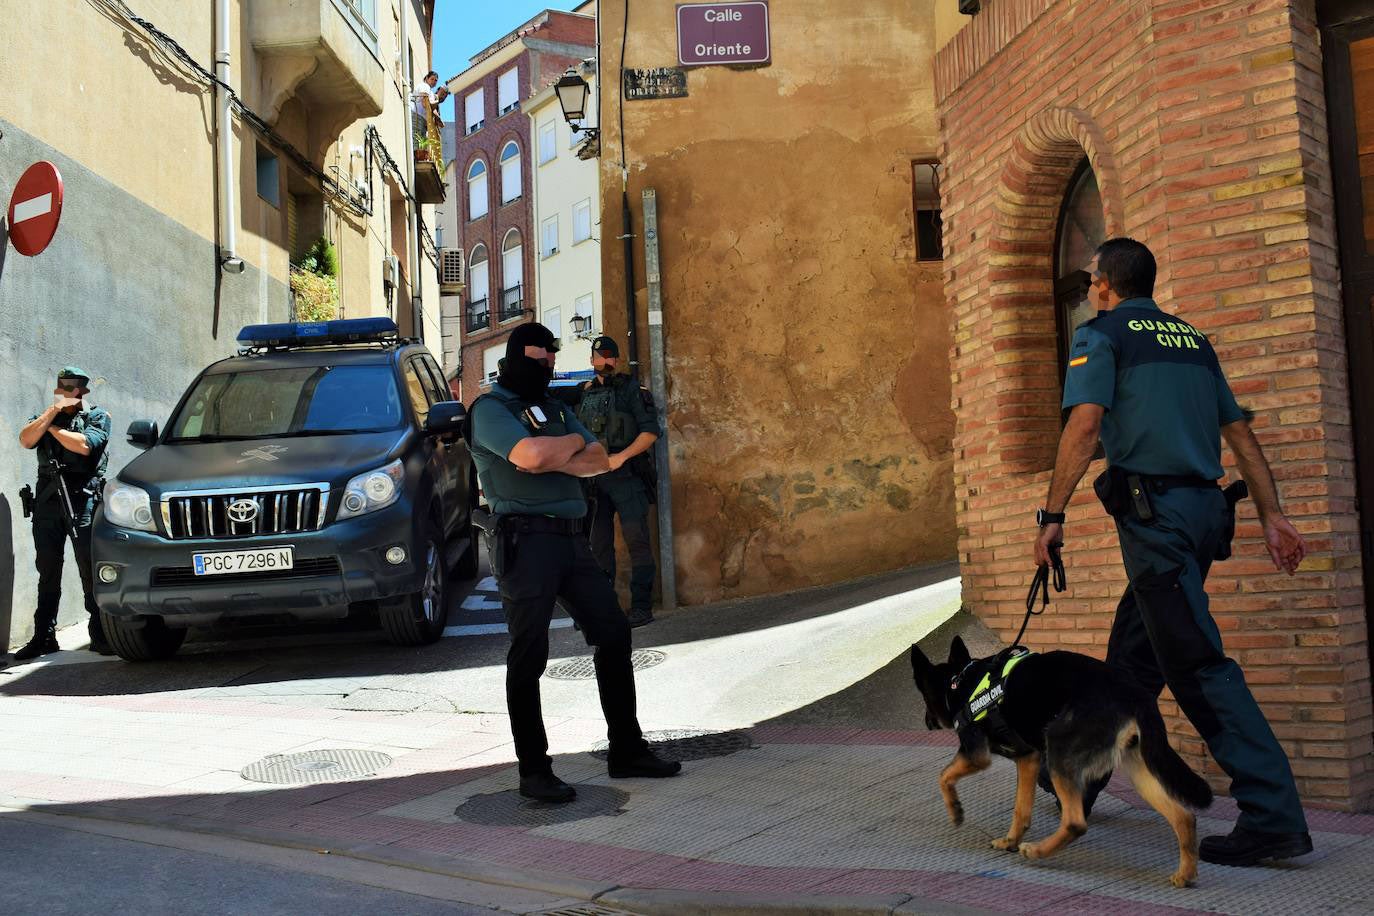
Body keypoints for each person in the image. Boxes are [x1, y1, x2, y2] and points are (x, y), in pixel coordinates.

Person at [1031, 238, 1312, 867]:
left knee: (1198, 668)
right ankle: (1073, 782)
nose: (1090, 288)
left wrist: (1052, 516)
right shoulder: (1192, 341)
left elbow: (1084, 426)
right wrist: (1272, 516)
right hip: (1202, 518)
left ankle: (1273, 817)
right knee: (1131, 665)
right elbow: (1237, 430)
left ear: (1103, 283)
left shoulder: (1100, 335)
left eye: (1091, 280)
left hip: (1156, 524)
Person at [468, 323, 680, 803]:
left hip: (571, 539)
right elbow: (526, 454)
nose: (546, 367)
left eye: (551, 359)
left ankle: (626, 749)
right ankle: (534, 771)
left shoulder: (557, 407)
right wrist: (561, 451)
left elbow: (600, 457)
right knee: (529, 654)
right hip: (525, 542)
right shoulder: (491, 410)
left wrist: (553, 455)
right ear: (518, 359)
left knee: (614, 633)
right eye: (539, 359)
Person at [16, 367, 113, 659]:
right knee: (47, 570)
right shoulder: (46, 416)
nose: (65, 393)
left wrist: (54, 430)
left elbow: (84, 446)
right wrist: (49, 415)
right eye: (61, 388)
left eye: (70, 388)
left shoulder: (97, 417)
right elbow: (26, 439)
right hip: (47, 504)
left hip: (82, 501)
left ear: (81, 391)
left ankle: (100, 633)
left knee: (88, 568)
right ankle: (44, 636)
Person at [575, 336, 660, 627]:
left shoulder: (632, 390)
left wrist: (621, 457)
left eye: (610, 356)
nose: (605, 361)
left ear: (617, 359)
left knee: (637, 541)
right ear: (592, 360)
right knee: (598, 546)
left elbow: (650, 433)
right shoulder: (582, 394)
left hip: (626, 477)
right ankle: (604, 609)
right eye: (600, 356)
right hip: (594, 483)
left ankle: (641, 606)